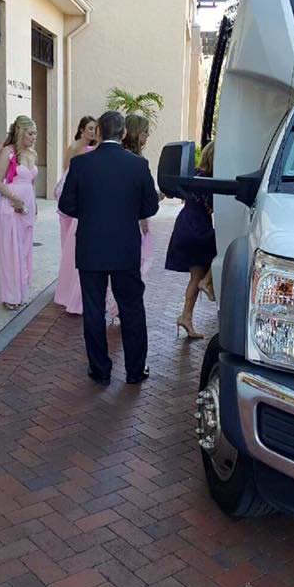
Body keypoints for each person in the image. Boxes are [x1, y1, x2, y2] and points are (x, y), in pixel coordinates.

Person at [59, 110, 159, 386]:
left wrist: (92, 213)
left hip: (91, 247)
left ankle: (100, 370)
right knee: (132, 308)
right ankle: (135, 370)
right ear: (124, 133)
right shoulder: (138, 165)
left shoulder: (81, 165)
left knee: (93, 309)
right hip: (125, 249)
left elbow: (66, 205)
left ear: (100, 133)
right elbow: (150, 206)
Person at [165, 140, 217, 339]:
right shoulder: (211, 181)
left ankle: (186, 317)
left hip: (185, 223)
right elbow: (212, 207)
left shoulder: (195, 174)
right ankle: (208, 282)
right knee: (225, 246)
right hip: (198, 227)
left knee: (195, 276)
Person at [106, 114, 155, 322]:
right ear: (134, 133)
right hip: (128, 222)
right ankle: (121, 306)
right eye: (145, 132)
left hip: (124, 220)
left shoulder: (131, 158)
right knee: (131, 267)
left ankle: (118, 306)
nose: (147, 137)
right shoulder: (135, 162)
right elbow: (143, 199)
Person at [0, 116, 37, 311]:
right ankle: (10, 295)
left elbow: (31, 182)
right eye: (30, 133)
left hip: (26, 209)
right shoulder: (7, 152)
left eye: (35, 133)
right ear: (20, 132)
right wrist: (15, 199)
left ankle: (21, 291)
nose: (34, 137)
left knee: (24, 251)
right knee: (10, 251)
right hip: (8, 208)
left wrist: (31, 205)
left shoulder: (32, 154)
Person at [54, 116, 97, 315]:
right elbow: (67, 170)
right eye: (89, 128)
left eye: (95, 129)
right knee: (69, 242)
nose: (92, 132)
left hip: (81, 196)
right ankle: (68, 284)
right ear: (81, 129)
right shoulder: (74, 147)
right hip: (71, 197)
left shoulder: (94, 149)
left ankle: (71, 284)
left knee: (74, 242)